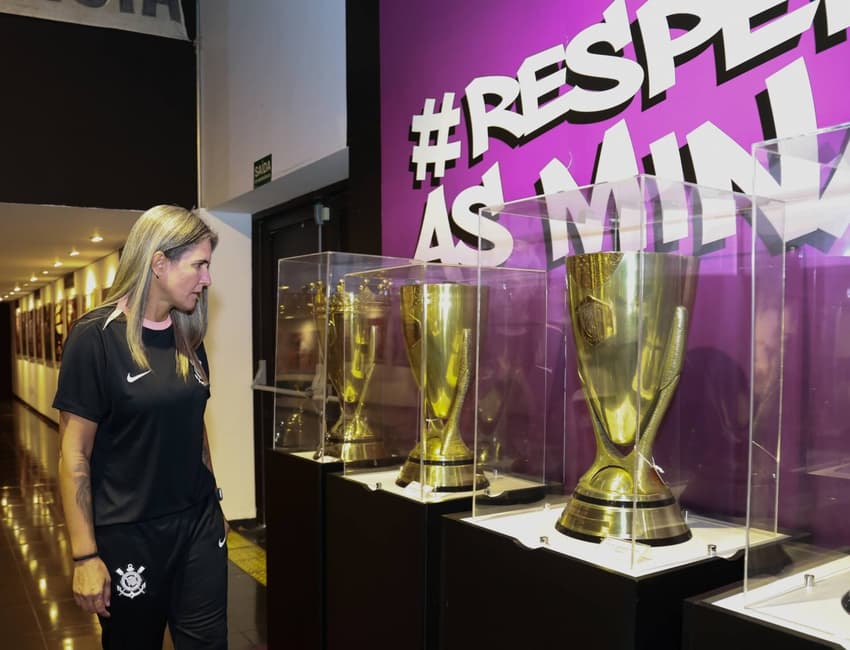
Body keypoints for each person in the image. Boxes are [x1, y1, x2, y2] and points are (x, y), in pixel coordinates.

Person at [53, 205, 228, 650]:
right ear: (158, 262)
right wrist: (85, 555)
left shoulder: (189, 338)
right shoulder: (95, 338)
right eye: (200, 265)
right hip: (130, 535)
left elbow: (195, 427)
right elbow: (74, 454)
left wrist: (215, 501)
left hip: (198, 527)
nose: (207, 279)